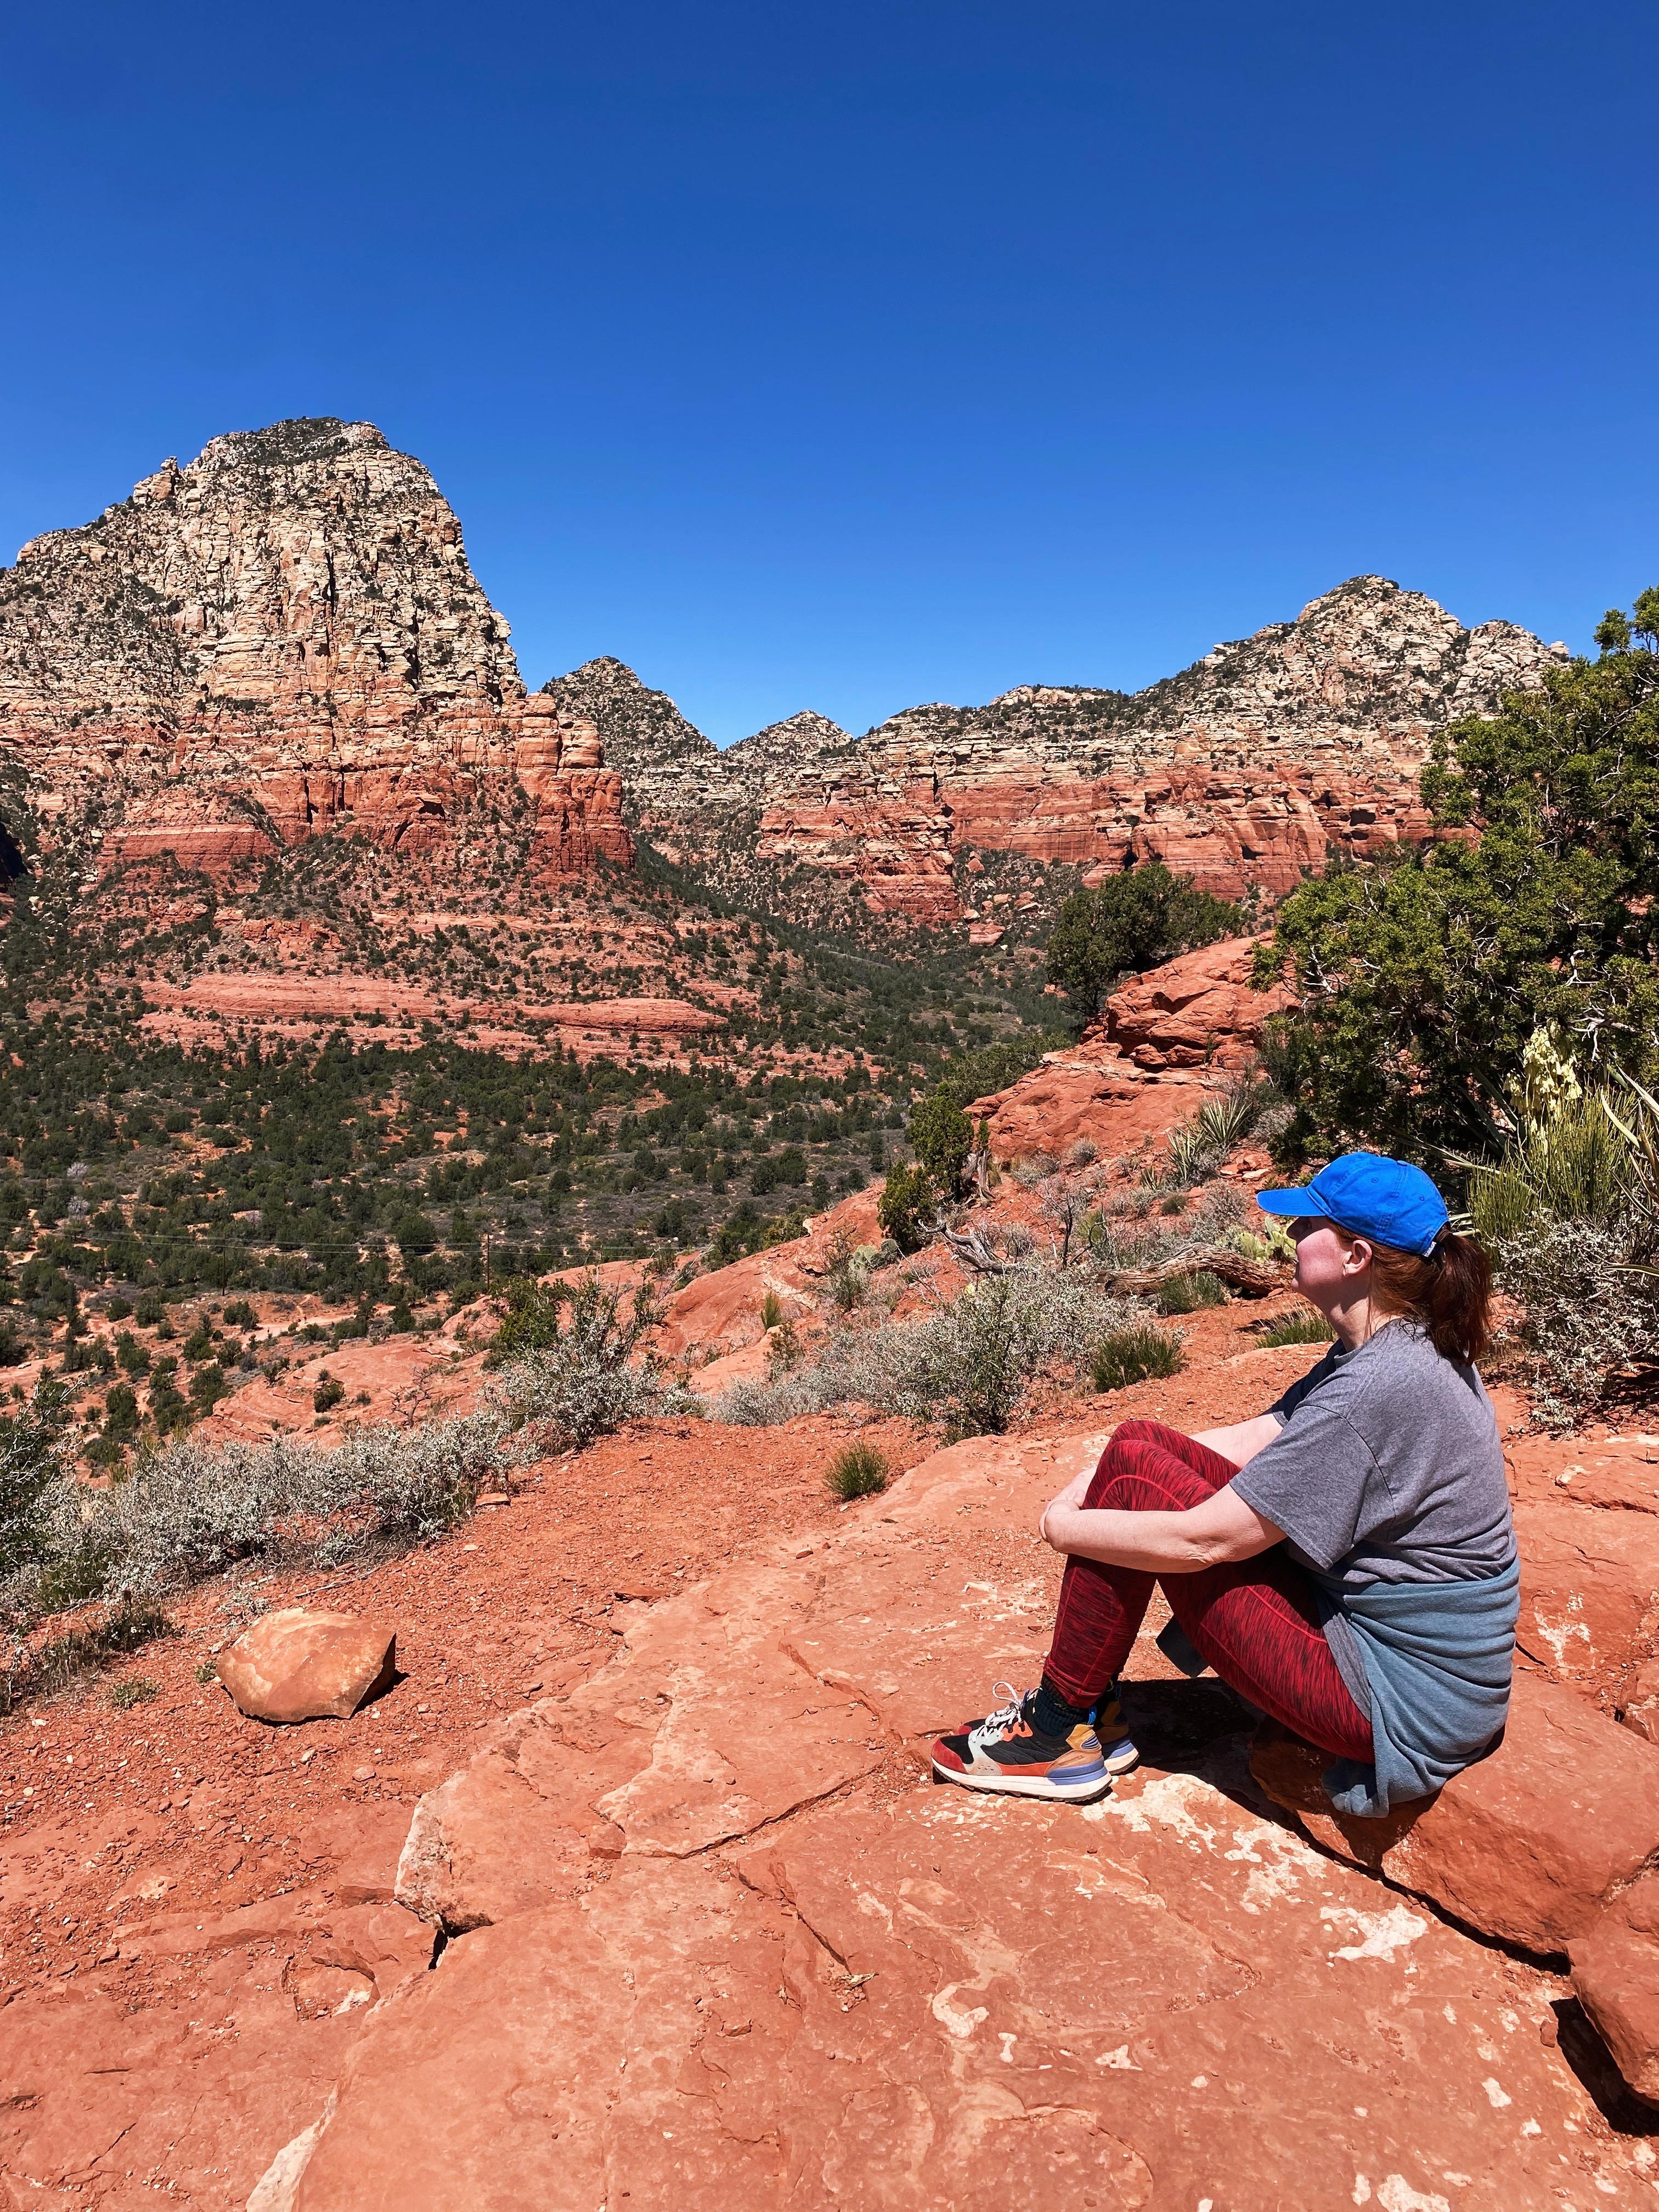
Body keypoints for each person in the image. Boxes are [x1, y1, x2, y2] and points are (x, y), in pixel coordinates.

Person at [930, 1153, 1519, 1818]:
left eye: (1307, 1225)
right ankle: (1089, 1709)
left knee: (1140, 1482)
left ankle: (1057, 1729)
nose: (1290, 1235)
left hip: (1395, 1700)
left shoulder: (1376, 1388)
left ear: (1355, 1256)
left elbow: (1207, 1541)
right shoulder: (1398, 1346)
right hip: (1414, 1668)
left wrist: (1060, 1524)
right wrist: (1105, 1471)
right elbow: (1262, 1434)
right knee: (1135, 1449)